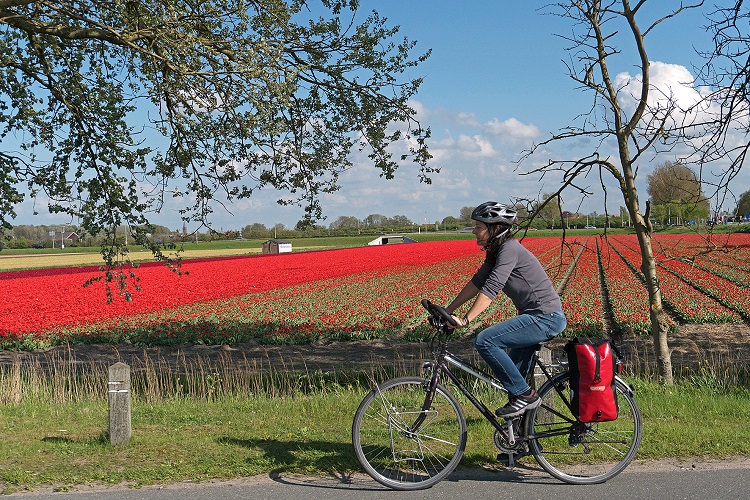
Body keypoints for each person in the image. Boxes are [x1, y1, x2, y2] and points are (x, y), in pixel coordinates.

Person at [445, 201, 567, 418]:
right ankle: (520, 442)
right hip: (534, 316)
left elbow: (491, 288)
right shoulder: (496, 251)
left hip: (545, 317)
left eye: (478, 226)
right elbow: (477, 283)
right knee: (515, 387)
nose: (474, 231)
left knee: (485, 341)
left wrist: (466, 319)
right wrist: (448, 309)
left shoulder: (509, 249)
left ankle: (527, 396)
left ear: (494, 228)